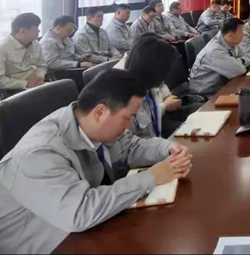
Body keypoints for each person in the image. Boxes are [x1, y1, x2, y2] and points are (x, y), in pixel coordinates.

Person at [0, 69, 193, 254]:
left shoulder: (87, 122)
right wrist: (151, 177)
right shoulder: (38, 154)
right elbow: (79, 212)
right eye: (128, 117)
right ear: (100, 112)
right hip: (48, 244)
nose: (129, 125)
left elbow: (129, 146)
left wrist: (168, 149)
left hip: (84, 229)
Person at [125, 34, 198, 138]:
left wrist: (168, 96)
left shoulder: (146, 77)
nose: (165, 76)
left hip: (158, 127)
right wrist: (164, 106)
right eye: (164, 71)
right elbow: (136, 140)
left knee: (198, 111)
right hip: (158, 124)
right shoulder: (125, 94)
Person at [189, 18, 250, 96]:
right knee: (247, 96)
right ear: (230, 35)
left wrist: (237, 61)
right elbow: (239, 70)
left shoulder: (231, 41)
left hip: (221, 83)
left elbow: (249, 57)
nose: (243, 34)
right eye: (241, 32)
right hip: (205, 90)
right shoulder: (215, 50)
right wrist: (241, 61)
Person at [0, 13, 47, 90]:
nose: (39, 31)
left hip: (37, 85)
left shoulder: (35, 43)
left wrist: (40, 76)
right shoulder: (3, 48)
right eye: (36, 28)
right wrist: (26, 83)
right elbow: (1, 80)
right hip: (14, 90)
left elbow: (42, 65)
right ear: (22, 30)